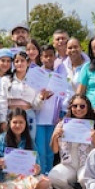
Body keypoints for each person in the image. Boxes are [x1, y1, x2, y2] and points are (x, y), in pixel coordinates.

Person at [0, 108, 51, 189]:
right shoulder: (0, 140)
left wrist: (37, 168)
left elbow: (37, 164)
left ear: (26, 123)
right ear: (9, 123)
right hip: (6, 181)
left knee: (45, 183)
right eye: (15, 122)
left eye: (21, 122)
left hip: (24, 179)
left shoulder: (29, 140)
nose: (18, 125)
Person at [49, 94, 95, 189]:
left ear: (88, 108)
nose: (78, 109)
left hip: (85, 164)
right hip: (68, 164)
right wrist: (55, 137)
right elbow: (55, 150)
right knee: (53, 176)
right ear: (70, 108)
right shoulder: (62, 124)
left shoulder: (94, 126)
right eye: (75, 106)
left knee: (84, 178)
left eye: (82, 106)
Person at [0, 51, 42, 137]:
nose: (19, 63)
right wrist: (2, 120)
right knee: (10, 143)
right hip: (11, 116)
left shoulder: (35, 81)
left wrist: (41, 98)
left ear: (28, 62)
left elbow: (36, 106)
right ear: (13, 64)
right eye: (17, 61)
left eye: (22, 60)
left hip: (28, 116)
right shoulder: (5, 80)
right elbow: (1, 101)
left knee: (29, 144)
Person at [34, 45, 63, 174]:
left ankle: (50, 177)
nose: (48, 58)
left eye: (51, 55)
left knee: (51, 150)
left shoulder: (60, 75)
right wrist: (41, 96)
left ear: (55, 57)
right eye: (45, 56)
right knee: (41, 151)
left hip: (53, 119)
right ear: (41, 58)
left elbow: (64, 95)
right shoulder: (36, 74)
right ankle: (42, 177)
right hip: (39, 118)